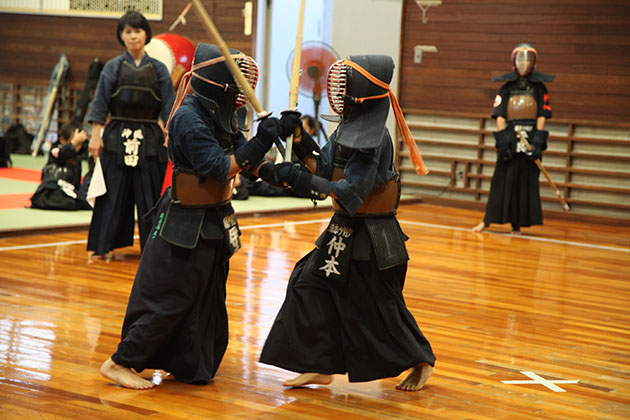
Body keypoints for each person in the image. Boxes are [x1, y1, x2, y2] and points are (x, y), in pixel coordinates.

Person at [100, 42, 298, 389]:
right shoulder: (189, 117)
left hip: (211, 219)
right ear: (219, 79)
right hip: (183, 222)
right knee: (171, 297)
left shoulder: (218, 112)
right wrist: (261, 141)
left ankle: (187, 362)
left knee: (206, 297)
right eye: (236, 80)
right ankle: (120, 362)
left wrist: (283, 172)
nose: (241, 88)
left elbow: (244, 158)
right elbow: (219, 167)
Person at [259, 55, 436, 391]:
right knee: (307, 284)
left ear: (361, 92)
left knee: (378, 306)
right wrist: (299, 138)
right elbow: (323, 170)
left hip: (372, 237)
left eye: (345, 86)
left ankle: (422, 360)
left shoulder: (374, 139)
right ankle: (319, 364)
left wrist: (296, 178)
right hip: (344, 230)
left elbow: (348, 192)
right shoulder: (347, 127)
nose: (338, 91)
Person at [86, 10, 175, 256]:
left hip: (150, 137)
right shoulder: (113, 67)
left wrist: (171, 133)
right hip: (116, 135)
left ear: (146, 34)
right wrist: (95, 136)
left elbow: (169, 106)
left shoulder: (159, 69)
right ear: (121, 36)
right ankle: (103, 246)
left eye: (138, 31)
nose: (133, 36)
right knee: (112, 194)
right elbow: (100, 103)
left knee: (150, 195)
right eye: (128, 32)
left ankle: (153, 249)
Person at [473, 44, 553, 234]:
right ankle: (488, 221)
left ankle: (517, 224)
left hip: (530, 135)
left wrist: (537, 142)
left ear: (533, 62)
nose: (524, 63)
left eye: (527, 60)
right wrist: (502, 141)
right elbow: (500, 115)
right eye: (520, 59)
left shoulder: (540, 88)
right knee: (501, 179)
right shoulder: (506, 88)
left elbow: (542, 115)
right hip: (510, 135)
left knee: (525, 180)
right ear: (514, 62)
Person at [30, 121, 90, 210]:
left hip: (68, 193)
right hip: (50, 191)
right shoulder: (55, 150)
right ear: (62, 139)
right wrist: (73, 143)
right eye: (75, 142)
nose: (77, 146)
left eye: (79, 144)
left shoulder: (77, 158)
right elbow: (63, 153)